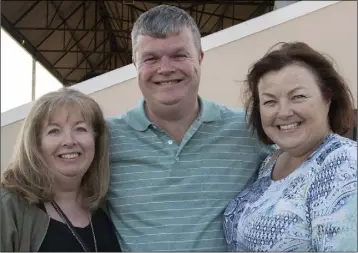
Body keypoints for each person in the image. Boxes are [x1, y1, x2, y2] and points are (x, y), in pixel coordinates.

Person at [106, 4, 267, 251]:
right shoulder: (106, 139)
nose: (165, 68)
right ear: (134, 65)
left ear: (200, 57)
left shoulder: (248, 130)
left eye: (179, 55)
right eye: (150, 58)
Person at [223, 42, 357, 252]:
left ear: (328, 98)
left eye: (298, 97)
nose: (283, 112)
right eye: (270, 102)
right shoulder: (271, 161)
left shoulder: (344, 164)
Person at [1, 88, 121, 252]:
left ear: (96, 140)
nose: (69, 141)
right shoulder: (8, 208)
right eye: (54, 131)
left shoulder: (107, 205)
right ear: (36, 144)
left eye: (80, 129)